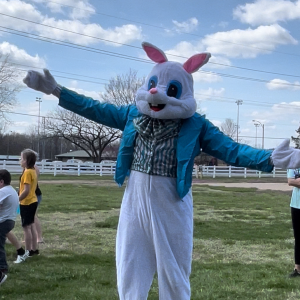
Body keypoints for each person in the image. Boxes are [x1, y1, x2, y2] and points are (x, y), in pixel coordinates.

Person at [23, 42, 300, 299]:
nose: (157, 92)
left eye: (171, 89)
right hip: (135, 199)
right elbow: (95, 108)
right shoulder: (133, 115)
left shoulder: (196, 125)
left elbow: (232, 150)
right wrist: (57, 90)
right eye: (153, 84)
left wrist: (272, 158)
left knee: (174, 265)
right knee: (130, 260)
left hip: (172, 202)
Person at [14, 149, 39, 264]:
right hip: (32, 201)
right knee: (31, 225)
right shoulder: (32, 170)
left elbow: (27, 190)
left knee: (26, 228)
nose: (20, 160)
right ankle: (34, 249)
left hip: (27, 203)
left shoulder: (28, 172)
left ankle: (27, 252)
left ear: (27, 161)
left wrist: (16, 199)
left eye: (22, 158)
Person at [0, 169, 19, 285]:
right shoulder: (11, 190)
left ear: (1, 182)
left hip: (3, 221)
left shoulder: (3, 191)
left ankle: (2, 267)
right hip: (10, 220)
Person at [287, 168, 300, 277]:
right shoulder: (294, 163)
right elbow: (290, 181)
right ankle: (297, 269)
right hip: (296, 205)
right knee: (298, 238)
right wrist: (296, 182)